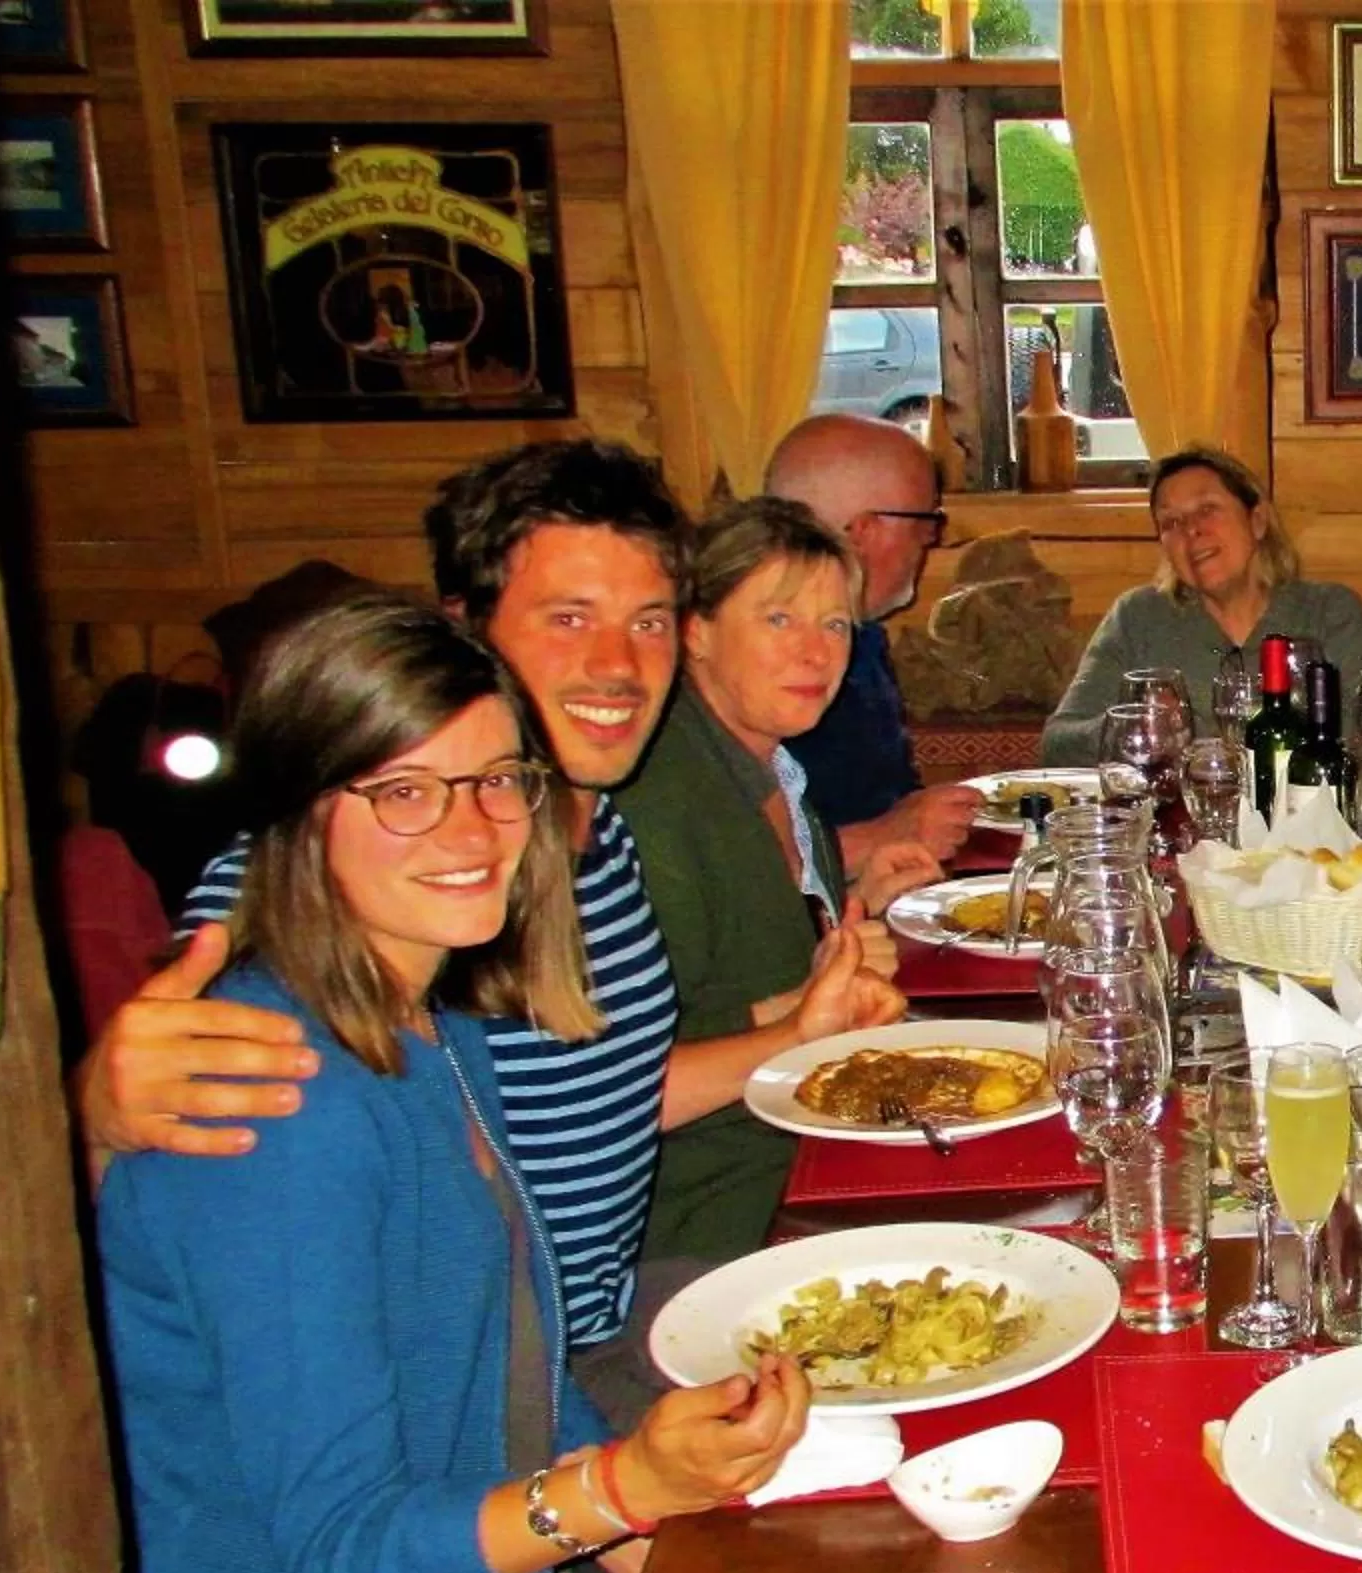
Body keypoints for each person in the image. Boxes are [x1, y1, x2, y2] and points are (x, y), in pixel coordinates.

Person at [78, 440, 902, 1425]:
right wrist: (96, 1107)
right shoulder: (388, 864)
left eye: (643, 621)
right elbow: (178, 1125)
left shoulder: (594, 842)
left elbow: (601, 1097)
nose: (615, 665)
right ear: (469, 635)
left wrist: (792, 1039)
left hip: (600, 1330)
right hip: (476, 1417)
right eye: (567, 619)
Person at [98, 596, 811, 1573]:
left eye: (495, 780)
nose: (472, 832)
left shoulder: (439, 1026)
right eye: (403, 792)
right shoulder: (275, 1102)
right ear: (295, 815)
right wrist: (624, 1490)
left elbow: (510, 1380)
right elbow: (348, 1559)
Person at [615, 496, 942, 1261]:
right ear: (694, 631)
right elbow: (617, 1077)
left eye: (834, 626)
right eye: (778, 620)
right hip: (718, 1207)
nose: (816, 654)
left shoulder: (773, 770)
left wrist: (865, 906)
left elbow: (771, 957)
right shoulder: (656, 801)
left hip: (808, 1140)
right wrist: (798, 1009)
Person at [1040, 444, 1362, 764]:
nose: (1191, 530)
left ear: (1258, 521)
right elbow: (1057, 744)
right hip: (1180, 824)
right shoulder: (1137, 618)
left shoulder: (1330, 612)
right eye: (1171, 522)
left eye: (1207, 509)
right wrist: (1131, 728)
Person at [767, 413, 982, 870]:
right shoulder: (747, 669)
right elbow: (741, 870)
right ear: (865, 530)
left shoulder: (864, 640)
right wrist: (882, 837)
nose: (931, 540)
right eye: (927, 522)